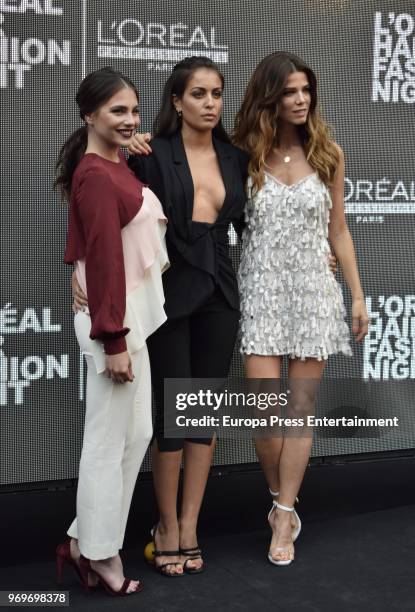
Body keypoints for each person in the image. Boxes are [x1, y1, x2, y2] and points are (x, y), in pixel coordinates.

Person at [233, 51, 369, 566]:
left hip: (314, 292)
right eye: (289, 91)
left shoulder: (328, 152)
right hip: (261, 290)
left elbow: (338, 230)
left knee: (299, 410)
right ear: (270, 96)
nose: (300, 99)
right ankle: (278, 501)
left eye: (305, 90)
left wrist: (356, 295)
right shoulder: (242, 152)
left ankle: (285, 514)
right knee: (264, 412)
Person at [55, 67, 168, 594]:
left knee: (137, 433)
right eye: (116, 111)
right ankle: (100, 555)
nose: (129, 119)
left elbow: (90, 240)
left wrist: (132, 142)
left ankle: (84, 538)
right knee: (105, 442)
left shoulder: (114, 163)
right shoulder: (97, 174)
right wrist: (113, 340)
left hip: (126, 321)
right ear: (89, 116)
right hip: (113, 328)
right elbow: (102, 257)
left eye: (134, 110)